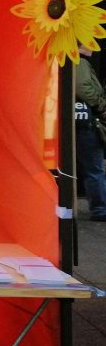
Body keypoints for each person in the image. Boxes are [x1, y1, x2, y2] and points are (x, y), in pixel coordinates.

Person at [76, 47, 106, 221]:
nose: (94, 46)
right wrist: (100, 105)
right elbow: (81, 86)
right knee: (94, 168)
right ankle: (100, 209)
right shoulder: (79, 62)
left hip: (79, 119)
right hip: (86, 121)